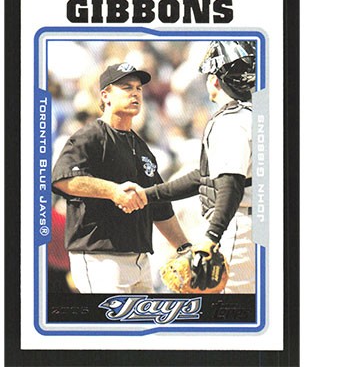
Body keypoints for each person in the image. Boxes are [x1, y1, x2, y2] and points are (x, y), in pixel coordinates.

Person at [51, 62, 190, 294]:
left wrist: (185, 248)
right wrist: (113, 191)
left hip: (140, 259)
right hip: (101, 257)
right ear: (105, 95)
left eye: (138, 88)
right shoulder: (89, 137)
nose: (135, 93)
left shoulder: (141, 146)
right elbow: (62, 179)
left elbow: (160, 206)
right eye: (126, 87)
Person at [130, 41, 256, 293]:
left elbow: (230, 185)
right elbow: (204, 177)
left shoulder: (230, 121)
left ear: (216, 81)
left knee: (230, 307)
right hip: (253, 221)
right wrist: (148, 195)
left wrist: (211, 237)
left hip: (239, 225)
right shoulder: (254, 115)